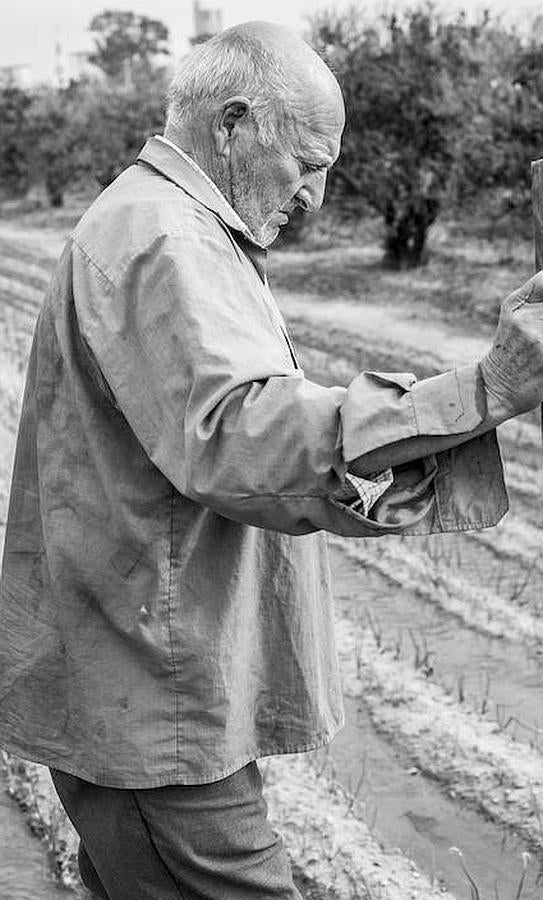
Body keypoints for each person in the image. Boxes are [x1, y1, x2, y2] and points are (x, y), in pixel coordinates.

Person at [1, 20, 543, 900]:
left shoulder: (173, 226)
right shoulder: (165, 240)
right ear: (234, 123)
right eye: (310, 163)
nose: (318, 197)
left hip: (144, 687)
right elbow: (245, 437)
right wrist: (481, 389)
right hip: (155, 705)